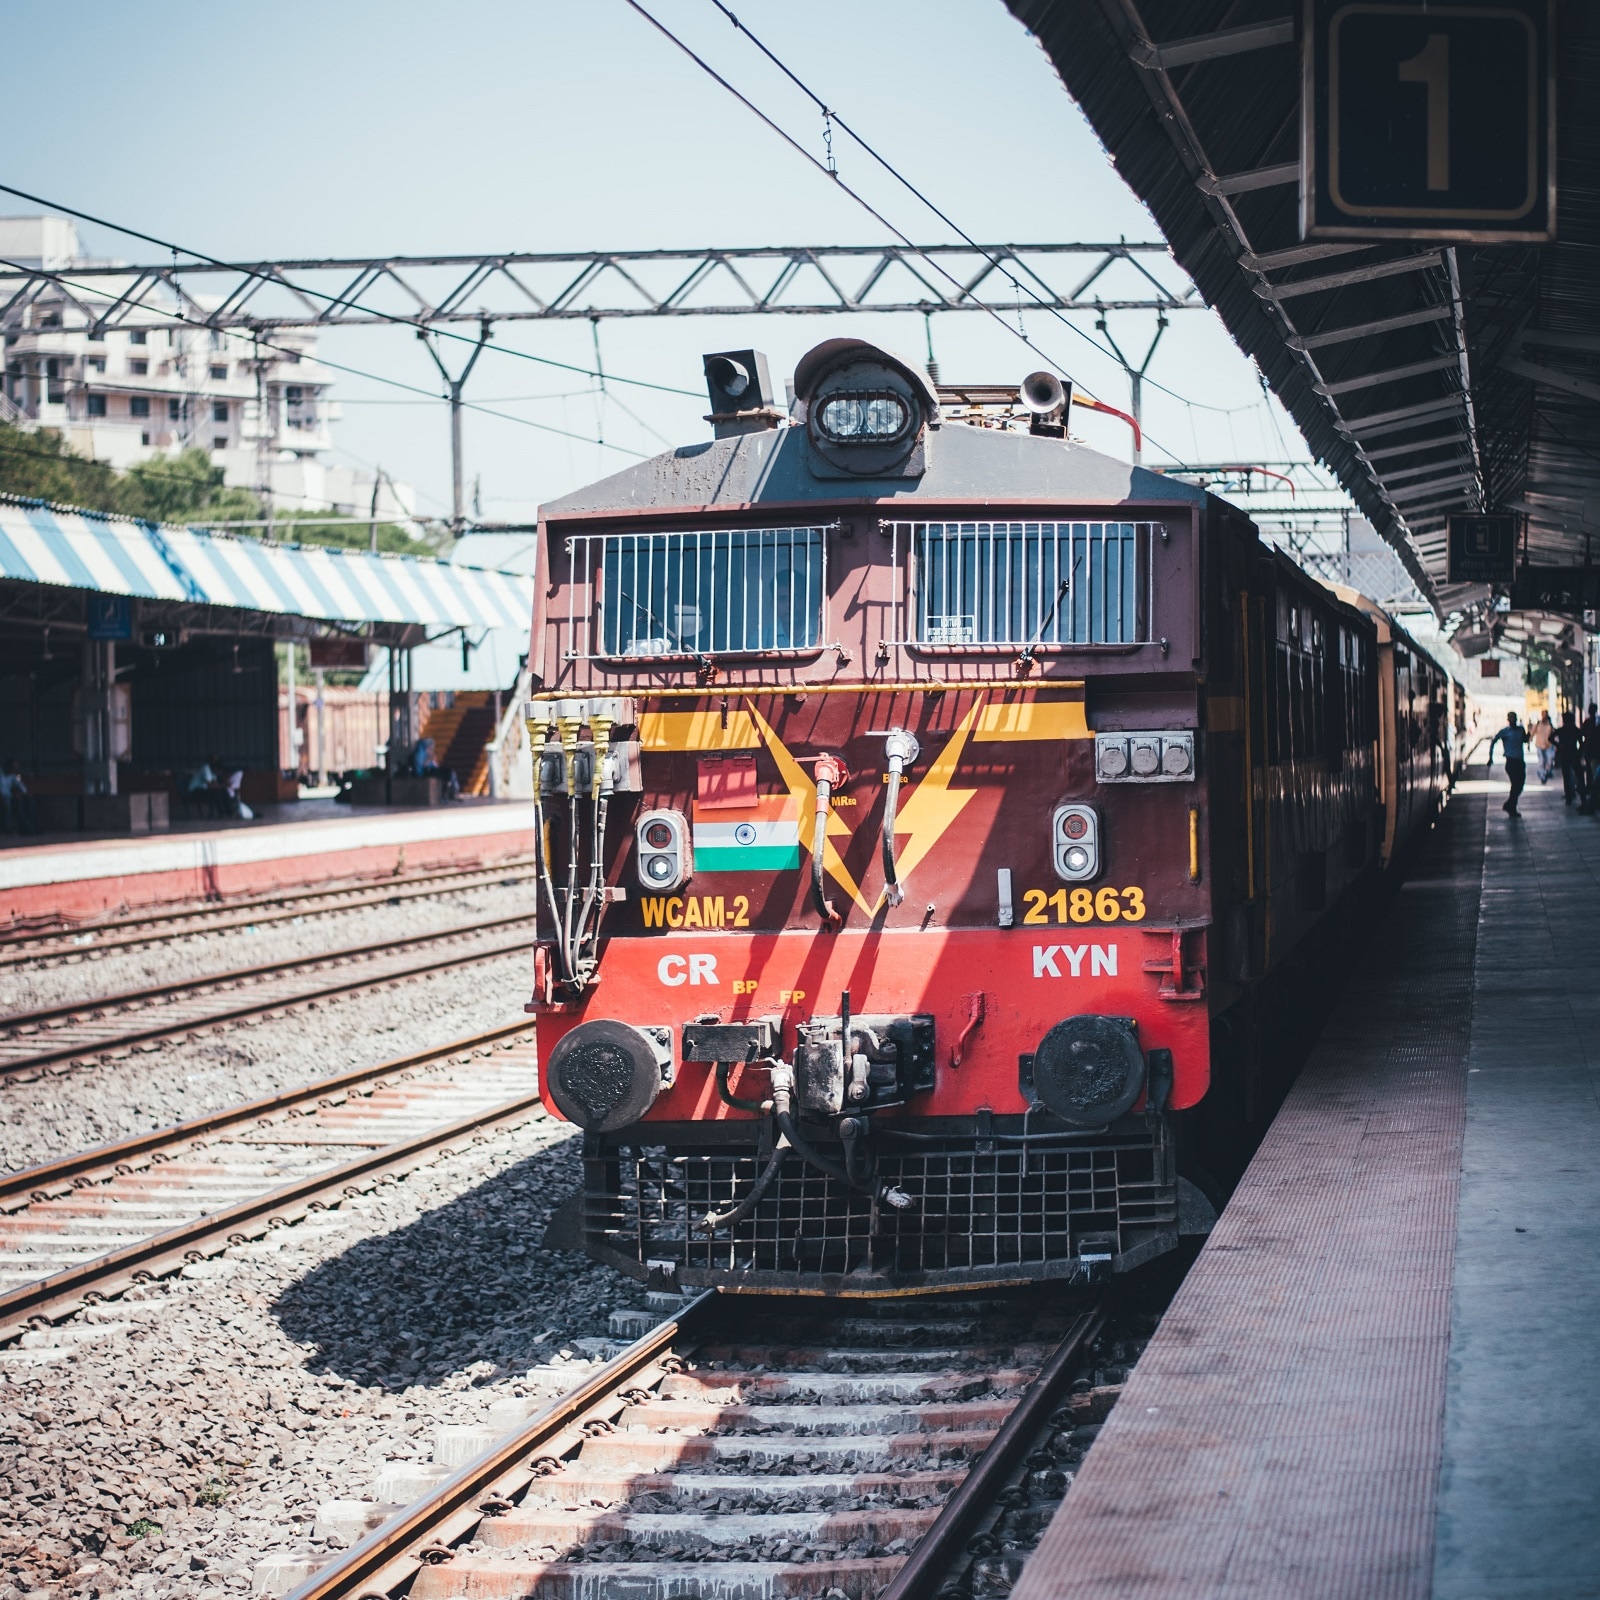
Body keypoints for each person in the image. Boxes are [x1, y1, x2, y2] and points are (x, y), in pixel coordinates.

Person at [1488, 711, 1528, 816]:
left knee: (1520, 785)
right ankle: (1512, 808)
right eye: (1511, 718)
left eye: (1514, 718)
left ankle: (1509, 804)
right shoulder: (1504, 732)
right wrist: (1490, 757)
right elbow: (1493, 741)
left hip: (1520, 761)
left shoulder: (1521, 730)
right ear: (1508, 720)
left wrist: (1530, 733)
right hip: (1511, 762)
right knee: (1515, 785)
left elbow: (1525, 740)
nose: (1513, 720)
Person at [1554, 709, 1586, 806]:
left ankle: (1569, 798)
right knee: (1580, 777)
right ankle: (1583, 797)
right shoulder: (1575, 730)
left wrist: (1559, 745)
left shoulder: (1561, 730)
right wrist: (1580, 752)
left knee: (1566, 777)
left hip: (1564, 755)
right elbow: (1581, 743)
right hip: (1574, 754)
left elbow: (1550, 737)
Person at [0, 759, 36, 834]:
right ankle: (6, 830)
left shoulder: (12, 775)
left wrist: (25, 793)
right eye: (13, 768)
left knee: (24, 803)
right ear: (8, 767)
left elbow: (19, 784)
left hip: (8, 797)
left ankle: (26, 828)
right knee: (7, 805)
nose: (15, 770)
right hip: (2, 797)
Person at [1532, 710, 1555, 783]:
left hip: (1548, 745)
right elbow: (1532, 733)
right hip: (1539, 745)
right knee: (1541, 761)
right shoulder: (1538, 724)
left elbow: (1554, 734)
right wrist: (1529, 740)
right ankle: (1542, 775)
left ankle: (1545, 772)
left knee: (1549, 761)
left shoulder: (1550, 725)